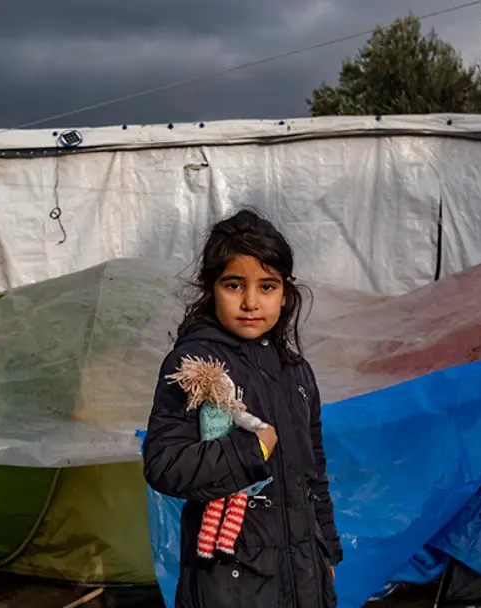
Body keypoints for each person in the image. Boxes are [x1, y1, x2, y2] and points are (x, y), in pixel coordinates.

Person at [142, 209, 342, 607]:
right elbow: (164, 464)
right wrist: (252, 451)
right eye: (235, 285)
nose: (251, 302)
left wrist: (328, 552)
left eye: (266, 287)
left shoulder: (296, 373)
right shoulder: (196, 366)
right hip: (230, 583)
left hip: (304, 576)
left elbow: (313, 471)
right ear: (211, 287)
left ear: (285, 293)